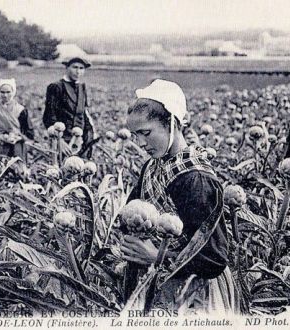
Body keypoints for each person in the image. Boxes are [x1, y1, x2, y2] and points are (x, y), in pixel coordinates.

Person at [120, 79, 235, 312]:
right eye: (135, 135)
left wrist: (157, 256)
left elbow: (214, 258)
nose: (141, 143)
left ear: (172, 123)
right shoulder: (152, 166)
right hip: (153, 281)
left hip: (191, 292)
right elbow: (131, 212)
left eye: (146, 133)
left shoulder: (196, 179)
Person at [43, 57, 95, 157]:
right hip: (62, 139)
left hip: (79, 140)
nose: (78, 71)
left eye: (81, 68)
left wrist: (88, 138)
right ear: (67, 68)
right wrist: (59, 141)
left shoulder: (81, 87)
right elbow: (49, 116)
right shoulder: (56, 87)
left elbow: (83, 114)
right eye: (75, 67)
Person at [0, 78, 34, 171]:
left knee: (19, 172)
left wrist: (18, 137)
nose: (5, 95)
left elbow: (29, 132)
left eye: (8, 92)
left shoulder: (21, 110)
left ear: (13, 92)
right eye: (2, 92)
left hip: (16, 146)